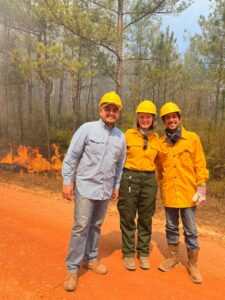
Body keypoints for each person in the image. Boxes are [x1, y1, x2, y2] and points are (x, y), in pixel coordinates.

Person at [62, 91, 126, 292]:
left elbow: (119, 166)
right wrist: (67, 181)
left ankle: (90, 259)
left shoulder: (120, 137)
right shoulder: (87, 129)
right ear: (101, 110)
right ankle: (72, 268)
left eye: (115, 110)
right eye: (107, 108)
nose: (111, 112)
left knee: (96, 225)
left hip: (105, 190)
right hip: (85, 187)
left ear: (119, 113)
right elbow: (72, 156)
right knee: (81, 226)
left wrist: (116, 186)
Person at [157, 102, 209, 284]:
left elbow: (200, 164)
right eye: (167, 118)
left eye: (174, 117)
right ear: (164, 121)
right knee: (170, 227)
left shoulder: (192, 138)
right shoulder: (161, 143)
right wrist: (162, 183)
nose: (171, 120)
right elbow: (158, 168)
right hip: (170, 192)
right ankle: (173, 258)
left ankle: (193, 264)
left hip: (188, 192)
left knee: (191, 230)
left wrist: (201, 188)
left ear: (179, 118)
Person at [117, 100, 160, 271]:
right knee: (127, 215)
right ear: (137, 118)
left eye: (148, 117)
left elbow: (162, 164)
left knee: (146, 217)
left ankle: (142, 252)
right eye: (141, 117)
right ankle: (128, 253)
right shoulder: (127, 135)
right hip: (129, 176)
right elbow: (118, 159)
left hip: (149, 179)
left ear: (153, 119)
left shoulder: (157, 140)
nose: (144, 120)